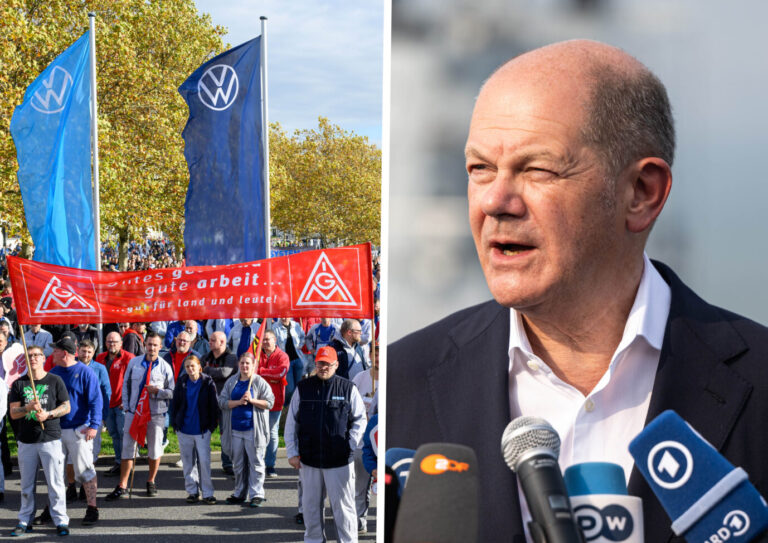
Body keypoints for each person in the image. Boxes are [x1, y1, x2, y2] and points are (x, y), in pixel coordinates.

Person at [386, 39, 768, 542]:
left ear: (641, 193)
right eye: (479, 168)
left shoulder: (759, 382)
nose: (496, 201)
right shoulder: (402, 383)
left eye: (538, 169)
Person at [285, 346, 366, 543]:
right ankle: (313, 539)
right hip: (310, 459)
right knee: (311, 506)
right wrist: (292, 452)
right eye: (321, 363)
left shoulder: (348, 388)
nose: (324, 367)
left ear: (336, 365)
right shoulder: (303, 388)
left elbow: (360, 419)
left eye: (328, 364)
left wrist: (350, 444)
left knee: (343, 508)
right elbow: (291, 422)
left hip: (339, 461)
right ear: (316, 363)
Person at [8, 345, 71, 537]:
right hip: (26, 441)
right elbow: (13, 412)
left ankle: (61, 520)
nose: (33, 359)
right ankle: (24, 520)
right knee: (27, 484)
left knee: (55, 482)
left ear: (44, 358)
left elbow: (66, 406)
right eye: (29, 356)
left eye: (37, 355)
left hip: (50, 438)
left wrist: (49, 414)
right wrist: (27, 408)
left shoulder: (55, 380)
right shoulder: (19, 384)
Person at [105, 331, 174, 500]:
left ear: (160, 347)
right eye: (149, 344)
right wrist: (128, 407)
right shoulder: (134, 363)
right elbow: (126, 386)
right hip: (134, 413)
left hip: (155, 415)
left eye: (155, 345)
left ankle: (151, 481)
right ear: (145, 345)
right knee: (128, 448)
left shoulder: (165, 367)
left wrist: (158, 391)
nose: (151, 348)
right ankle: (122, 484)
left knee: (154, 449)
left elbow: (172, 392)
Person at [46, 336, 102, 526]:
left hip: (80, 429)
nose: (52, 353)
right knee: (55, 472)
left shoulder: (85, 373)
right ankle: (54, 508)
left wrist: (94, 425)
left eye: (55, 350)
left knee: (85, 471)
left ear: (65, 353)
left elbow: (96, 400)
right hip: (56, 430)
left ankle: (92, 507)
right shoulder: (53, 373)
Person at [218, 352, 274, 507]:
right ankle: (239, 492)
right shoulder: (232, 382)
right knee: (238, 463)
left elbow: (270, 402)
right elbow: (222, 402)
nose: (244, 366)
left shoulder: (259, 382)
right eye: (242, 363)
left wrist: (252, 400)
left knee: (256, 462)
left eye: (247, 363)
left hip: (253, 430)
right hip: (235, 430)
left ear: (253, 365)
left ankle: (257, 494)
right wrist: (238, 402)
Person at [171, 354, 219, 504]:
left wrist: (211, 426)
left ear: (199, 366)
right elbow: (175, 404)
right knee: (187, 462)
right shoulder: (182, 382)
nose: (190, 369)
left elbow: (214, 406)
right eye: (187, 366)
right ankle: (192, 491)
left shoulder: (208, 383)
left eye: (193, 366)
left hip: (202, 430)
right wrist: (175, 424)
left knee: (204, 462)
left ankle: (208, 493)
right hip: (184, 429)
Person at [94, 331, 134, 476]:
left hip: (122, 403)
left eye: (115, 342)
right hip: (106, 404)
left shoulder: (129, 358)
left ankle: (126, 463)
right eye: (109, 341)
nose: (112, 344)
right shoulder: (100, 358)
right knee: (114, 434)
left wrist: (128, 400)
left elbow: (133, 381)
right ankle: (119, 462)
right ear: (105, 343)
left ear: (121, 343)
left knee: (124, 434)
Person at [351, 342, 378, 533]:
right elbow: (349, 406)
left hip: (381, 444)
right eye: (374, 353)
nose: (377, 357)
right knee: (359, 485)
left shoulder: (393, 378)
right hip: (361, 442)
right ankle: (359, 521)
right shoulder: (359, 378)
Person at [256, 330, 289, 478]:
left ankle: (270, 465)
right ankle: (257, 462)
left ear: (275, 340)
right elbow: (251, 371)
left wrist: (261, 372)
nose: (265, 342)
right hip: (257, 400)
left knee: (272, 434)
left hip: (275, 401)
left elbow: (280, 373)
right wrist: (270, 374)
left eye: (268, 340)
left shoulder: (283, 356)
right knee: (258, 433)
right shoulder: (256, 354)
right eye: (263, 340)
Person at [272, 317, 306, 405]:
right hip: (286, 363)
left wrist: (300, 345)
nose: (284, 318)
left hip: (298, 359)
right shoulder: (275, 327)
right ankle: (286, 404)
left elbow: (303, 336)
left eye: (286, 316)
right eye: (282, 316)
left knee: (298, 386)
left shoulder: (296, 325)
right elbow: (273, 344)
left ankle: (296, 405)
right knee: (290, 388)